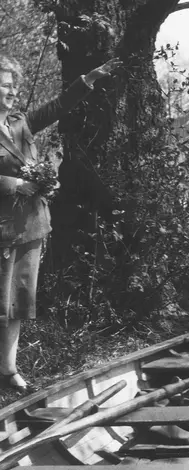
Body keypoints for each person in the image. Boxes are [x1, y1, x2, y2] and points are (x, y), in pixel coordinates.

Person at [0, 56, 120, 392]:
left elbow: (57, 107)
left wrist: (87, 80)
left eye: (15, 85)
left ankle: (8, 371)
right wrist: (14, 185)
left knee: (19, 303)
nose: (13, 91)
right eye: (6, 84)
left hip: (33, 227)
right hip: (3, 230)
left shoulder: (21, 122)